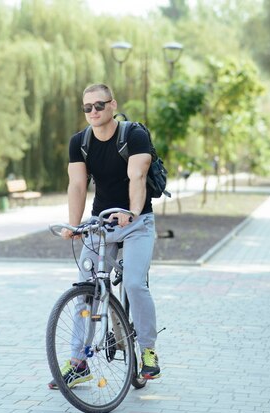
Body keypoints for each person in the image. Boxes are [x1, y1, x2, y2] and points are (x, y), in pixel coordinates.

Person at [48, 83, 161, 390]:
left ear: (113, 105)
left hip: (137, 223)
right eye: (88, 108)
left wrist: (133, 213)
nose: (94, 112)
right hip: (101, 223)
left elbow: (137, 176)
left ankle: (148, 350)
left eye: (99, 105)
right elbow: (77, 186)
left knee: (135, 283)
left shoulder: (134, 135)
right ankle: (79, 362)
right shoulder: (80, 142)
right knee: (86, 289)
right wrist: (73, 226)